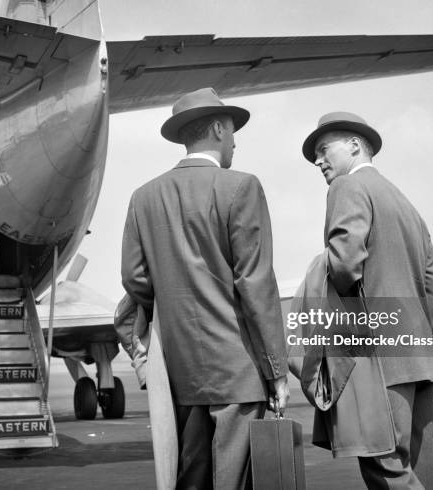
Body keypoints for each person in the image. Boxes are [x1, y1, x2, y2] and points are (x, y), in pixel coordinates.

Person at [121, 87, 289, 490]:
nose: (235, 141)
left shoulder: (143, 197)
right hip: (237, 371)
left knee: (190, 478)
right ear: (217, 128)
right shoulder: (241, 186)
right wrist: (277, 371)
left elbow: (135, 280)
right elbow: (255, 284)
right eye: (232, 131)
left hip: (179, 375)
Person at [301, 112, 433, 489]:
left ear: (355, 145)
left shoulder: (346, 188)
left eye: (324, 150)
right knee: (414, 469)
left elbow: (345, 265)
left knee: (386, 469)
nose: (318, 161)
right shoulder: (404, 202)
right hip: (420, 360)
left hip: (378, 358)